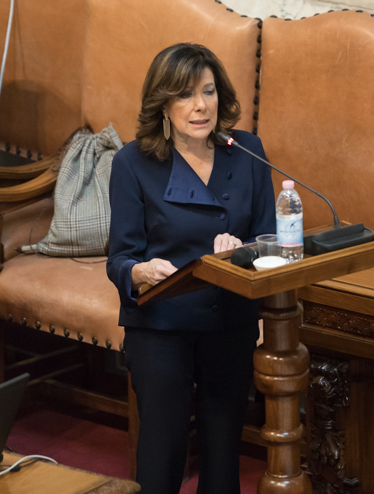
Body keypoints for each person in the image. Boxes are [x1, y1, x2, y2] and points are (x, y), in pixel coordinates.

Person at [106, 43, 275, 494]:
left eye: (208, 91)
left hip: (228, 318)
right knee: (162, 452)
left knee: (223, 455)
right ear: (162, 102)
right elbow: (120, 258)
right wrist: (140, 272)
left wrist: (242, 251)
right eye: (184, 94)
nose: (200, 106)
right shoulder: (131, 163)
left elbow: (269, 241)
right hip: (161, 321)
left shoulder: (249, 152)